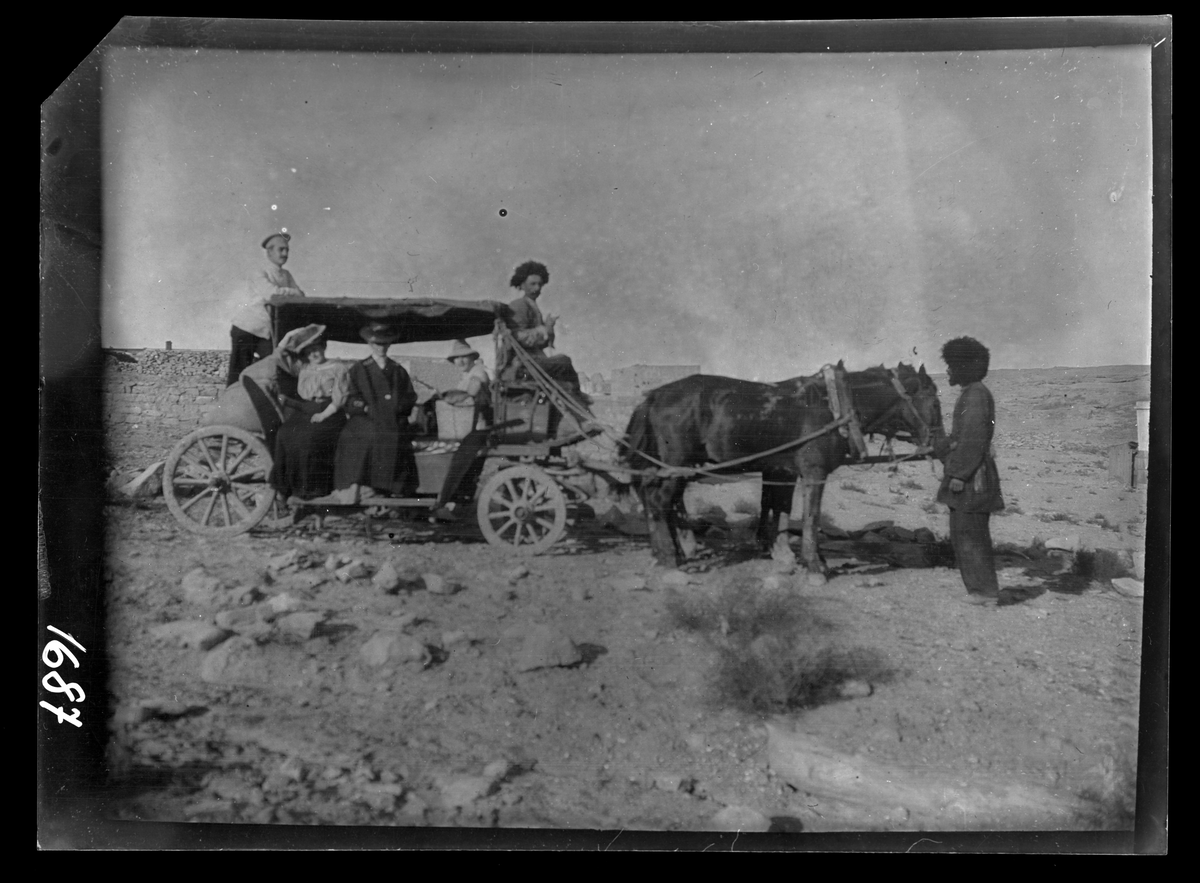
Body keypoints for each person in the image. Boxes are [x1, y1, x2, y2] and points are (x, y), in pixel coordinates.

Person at [933, 336, 1006, 606]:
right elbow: (961, 438)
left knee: (971, 534)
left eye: (952, 365)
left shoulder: (975, 395)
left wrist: (958, 475)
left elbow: (973, 439)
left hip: (973, 479)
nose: (948, 371)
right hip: (972, 474)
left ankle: (985, 592)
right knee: (964, 533)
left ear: (964, 367)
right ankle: (979, 590)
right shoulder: (973, 393)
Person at [331, 322, 419, 503]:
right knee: (364, 436)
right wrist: (365, 407)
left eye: (385, 343)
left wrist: (398, 408)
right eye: (378, 344)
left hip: (393, 418)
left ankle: (390, 487)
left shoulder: (398, 370)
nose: (381, 347)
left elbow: (409, 396)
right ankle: (360, 486)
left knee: (395, 436)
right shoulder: (359, 369)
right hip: (365, 418)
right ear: (370, 344)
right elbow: (351, 398)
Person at [268, 327, 351, 500]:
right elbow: (277, 357)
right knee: (284, 433)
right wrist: (287, 336)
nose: (313, 354)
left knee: (309, 438)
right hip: (306, 409)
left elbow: (340, 398)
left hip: (331, 412)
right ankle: (285, 487)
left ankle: (310, 490)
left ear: (324, 347)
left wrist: (323, 415)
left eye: (316, 349)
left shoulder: (338, 367)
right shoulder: (303, 367)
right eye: (309, 351)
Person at [227, 232, 306, 386]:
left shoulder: (286, 275)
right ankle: (230, 399)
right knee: (238, 373)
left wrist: (293, 294)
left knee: (273, 367)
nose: (285, 253)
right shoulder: (259, 271)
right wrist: (292, 293)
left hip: (267, 332)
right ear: (269, 252)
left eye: (287, 250)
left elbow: (300, 296)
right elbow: (271, 294)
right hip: (247, 328)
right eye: (281, 249)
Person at [504, 260, 587, 403]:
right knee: (564, 361)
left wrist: (549, 328)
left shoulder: (532, 306)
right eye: (532, 284)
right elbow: (517, 337)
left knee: (563, 366)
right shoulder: (519, 305)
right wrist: (544, 329)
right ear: (522, 284)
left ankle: (575, 398)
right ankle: (577, 397)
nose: (537, 288)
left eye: (540, 284)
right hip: (522, 365)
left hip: (532, 362)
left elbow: (541, 343)